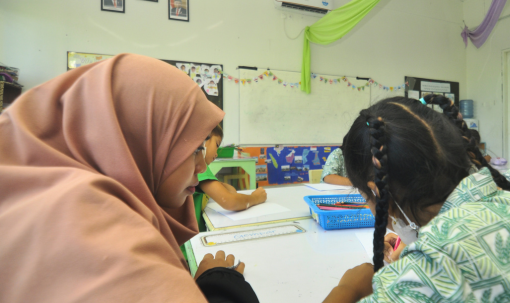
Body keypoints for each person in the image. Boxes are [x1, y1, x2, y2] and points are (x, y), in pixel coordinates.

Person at [0, 54, 259, 303]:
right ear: (141, 141)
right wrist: (218, 285)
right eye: (194, 150)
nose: (202, 165)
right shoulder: (93, 228)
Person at [323, 94, 510, 303]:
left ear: (377, 192)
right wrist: (420, 239)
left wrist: (348, 289)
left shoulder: (423, 276)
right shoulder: (502, 186)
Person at [193, 125, 267, 232]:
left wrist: (220, 187)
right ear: (203, 139)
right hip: (186, 244)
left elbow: (231, 190)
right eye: (217, 144)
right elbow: (229, 201)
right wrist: (255, 198)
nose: (216, 153)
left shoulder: (199, 169)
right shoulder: (199, 167)